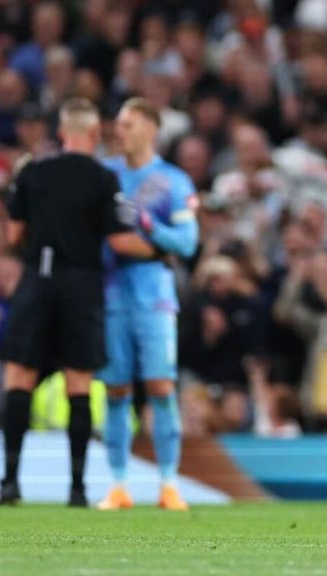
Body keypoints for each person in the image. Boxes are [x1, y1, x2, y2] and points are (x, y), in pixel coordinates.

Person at [0, 99, 157, 508]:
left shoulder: (32, 171)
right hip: (82, 284)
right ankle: (78, 488)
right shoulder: (104, 179)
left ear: (63, 132)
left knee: (20, 378)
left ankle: (10, 482)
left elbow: (13, 235)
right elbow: (120, 240)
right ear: (95, 134)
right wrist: (160, 251)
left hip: (38, 279)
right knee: (78, 381)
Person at [97, 98, 200, 512]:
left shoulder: (173, 181)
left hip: (154, 298)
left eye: (128, 123)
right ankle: (119, 485)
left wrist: (145, 225)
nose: (119, 130)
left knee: (160, 386)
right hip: (110, 295)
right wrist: (151, 247)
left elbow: (188, 243)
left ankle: (168, 484)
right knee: (116, 390)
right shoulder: (105, 176)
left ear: (151, 129)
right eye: (118, 123)